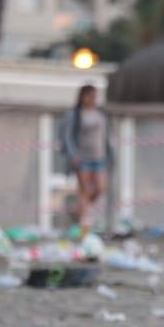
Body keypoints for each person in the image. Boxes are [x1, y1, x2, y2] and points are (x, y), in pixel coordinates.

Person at [62, 84, 108, 235]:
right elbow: (67, 136)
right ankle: (84, 223)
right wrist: (72, 155)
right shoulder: (75, 115)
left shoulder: (100, 114)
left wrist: (109, 153)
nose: (93, 99)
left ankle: (81, 211)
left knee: (100, 188)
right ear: (82, 97)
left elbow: (105, 136)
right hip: (82, 157)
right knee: (84, 189)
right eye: (90, 96)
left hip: (99, 156)